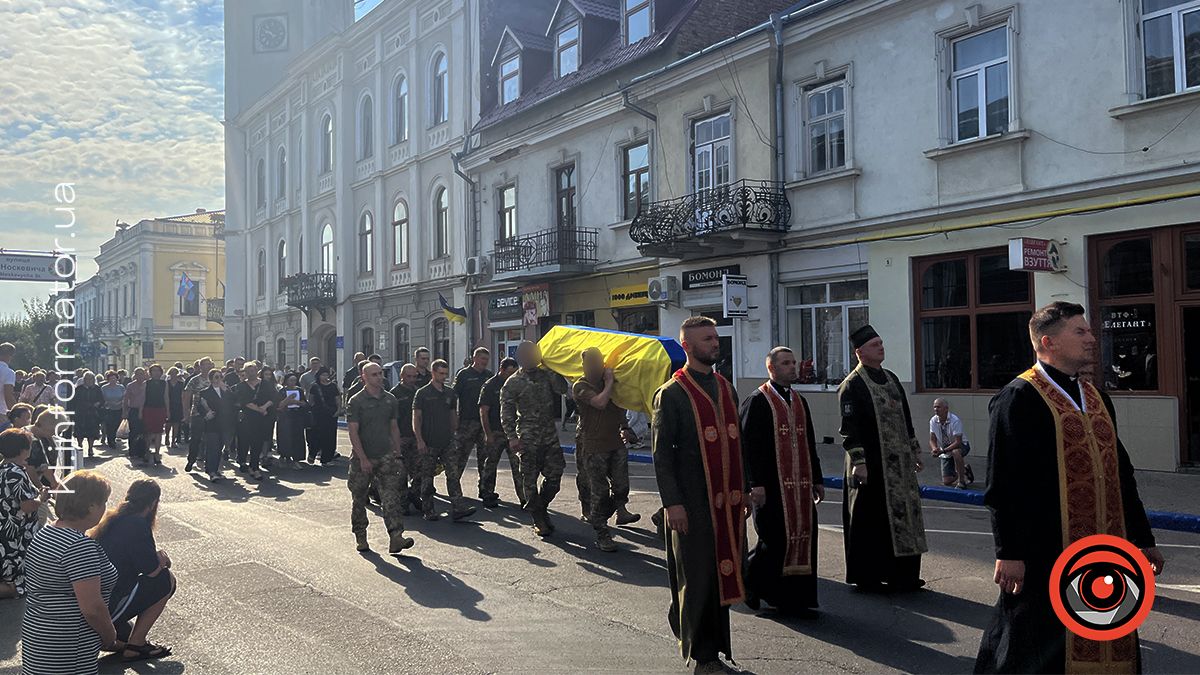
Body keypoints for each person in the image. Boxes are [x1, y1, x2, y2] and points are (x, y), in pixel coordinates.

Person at [974, 302, 1163, 674]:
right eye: (1081, 331)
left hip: (1105, 549)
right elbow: (1003, 481)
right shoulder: (1019, 397)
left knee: (1106, 624)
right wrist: (1009, 551)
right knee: (1038, 645)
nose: (1092, 338)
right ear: (1049, 342)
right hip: (1046, 551)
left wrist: (1143, 537)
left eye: (1089, 330)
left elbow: (1121, 473)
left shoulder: (1096, 397)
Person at [651, 316, 746, 672]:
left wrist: (745, 489)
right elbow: (662, 455)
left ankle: (711, 643)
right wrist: (672, 504)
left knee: (720, 575)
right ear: (687, 347)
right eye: (707, 339)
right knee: (699, 576)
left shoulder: (725, 387)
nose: (715, 343)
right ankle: (703, 657)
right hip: (691, 502)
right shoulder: (672, 394)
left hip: (726, 502)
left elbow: (738, 445)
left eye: (715, 337)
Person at [838, 324, 927, 592]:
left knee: (905, 517)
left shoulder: (891, 378)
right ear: (860, 352)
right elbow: (849, 429)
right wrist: (860, 463)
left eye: (881, 343)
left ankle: (904, 575)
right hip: (871, 465)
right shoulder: (852, 385)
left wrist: (914, 449)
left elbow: (905, 417)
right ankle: (869, 576)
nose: (881, 348)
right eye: (875, 345)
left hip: (899, 463)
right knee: (870, 519)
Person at [740, 346, 823, 618]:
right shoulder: (758, 400)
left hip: (801, 484)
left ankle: (797, 599)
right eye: (786, 363)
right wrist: (754, 483)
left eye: (794, 362)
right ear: (771, 368)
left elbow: (809, 441)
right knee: (774, 540)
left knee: (803, 539)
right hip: (771, 485)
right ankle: (751, 582)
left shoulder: (799, 400)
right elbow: (748, 446)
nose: (792, 367)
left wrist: (817, 478)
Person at [20, 470, 120, 675]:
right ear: (91, 506)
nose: (105, 508)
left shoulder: (46, 532)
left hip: (39, 635)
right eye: (103, 502)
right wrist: (110, 634)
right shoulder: (78, 546)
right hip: (69, 643)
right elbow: (92, 607)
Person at [90, 479, 175, 662]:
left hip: (96, 598)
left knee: (124, 635)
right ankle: (136, 645)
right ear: (153, 503)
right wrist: (161, 559)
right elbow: (151, 571)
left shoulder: (113, 519)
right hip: (110, 599)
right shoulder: (137, 524)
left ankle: (120, 642)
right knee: (166, 579)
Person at [573, 347, 639, 552]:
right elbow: (600, 403)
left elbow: (618, 406)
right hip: (594, 446)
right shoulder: (580, 386)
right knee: (599, 492)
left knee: (622, 485)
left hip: (615, 442)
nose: (597, 366)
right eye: (592, 362)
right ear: (584, 365)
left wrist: (626, 427)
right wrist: (610, 382)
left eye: (599, 361)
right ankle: (602, 532)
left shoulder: (607, 383)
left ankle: (618, 511)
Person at [345, 362, 414, 554]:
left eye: (380, 373)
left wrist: (397, 453)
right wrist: (363, 458)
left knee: (391, 497)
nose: (379, 377)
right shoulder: (356, 401)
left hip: (385, 456)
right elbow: (353, 431)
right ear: (364, 377)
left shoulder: (390, 399)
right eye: (374, 374)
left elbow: (394, 427)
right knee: (359, 499)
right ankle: (361, 536)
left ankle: (396, 537)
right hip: (362, 457)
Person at [500, 341, 567, 536]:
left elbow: (562, 388)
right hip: (527, 437)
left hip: (549, 436)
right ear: (520, 358)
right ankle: (538, 518)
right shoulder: (512, 382)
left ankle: (541, 507)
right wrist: (512, 437)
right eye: (527, 355)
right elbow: (506, 412)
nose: (531, 357)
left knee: (555, 477)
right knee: (529, 480)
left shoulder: (546, 374)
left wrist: (550, 367)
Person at [414, 359, 476, 522]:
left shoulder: (450, 393)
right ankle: (428, 509)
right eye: (441, 373)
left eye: (445, 374)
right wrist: (419, 440)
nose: (443, 377)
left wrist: (455, 434)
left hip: (447, 441)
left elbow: (453, 415)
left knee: (453, 475)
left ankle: (458, 507)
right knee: (427, 477)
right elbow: (417, 418)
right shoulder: (422, 393)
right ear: (433, 373)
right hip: (429, 441)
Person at [1, 429, 50, 599]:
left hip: (5, 526)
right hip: (16, 531)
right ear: (23, 450)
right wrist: (41, 498)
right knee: (18, 584)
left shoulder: (3, 468)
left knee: (8, 571)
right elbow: (27, 505)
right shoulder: (16, 472)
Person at [478, 358, 522, 508]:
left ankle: (524, 498)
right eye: (509, 372)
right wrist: (488, 434)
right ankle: (487, 494)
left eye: (514, 372)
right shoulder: (490, 385)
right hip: (495, 431)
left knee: (518, 466)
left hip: (512, 432)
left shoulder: (517, 384)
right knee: (490, 465)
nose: (512, 375)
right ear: (501, 370)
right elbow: (484, 411)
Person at [453, 348, 493, 503]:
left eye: (486, 359)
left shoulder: (489, 376)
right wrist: (455, 418)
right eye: (482, 358)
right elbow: (454, 396)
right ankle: (454, 491)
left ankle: (485, 490)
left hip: (484, 423)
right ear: (475, 358)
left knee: (485, 459)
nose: (484, 362)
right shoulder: (464, 374)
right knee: (460, 457)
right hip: (466, 422)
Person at [388, 364, 423, 513]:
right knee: (401, 474)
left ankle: (413, 495)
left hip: (416, 438)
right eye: (409, 376)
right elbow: (390, 420)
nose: (412, 379)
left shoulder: (419, 392)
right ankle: (403, 502)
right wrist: (394, 441)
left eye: (415, 376)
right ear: (402, 376)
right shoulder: (394, 394)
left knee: (420, 471)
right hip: (401, 438)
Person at [232, 361, 271, 480]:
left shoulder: (265, 384)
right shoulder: (241, 386)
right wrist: (260, 410)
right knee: (244, 442)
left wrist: (264, 407)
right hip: (246, 418)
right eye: (248, 371)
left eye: (253, 370)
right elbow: (244, 401)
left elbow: (273, 397)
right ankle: (243, 462)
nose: (251, 373)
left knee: (257, 443)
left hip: (261, 419)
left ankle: (255, 467)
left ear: (257, 371)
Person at [195, 369, 236, 481]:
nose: (219, 379)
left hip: (225, 423)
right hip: (212, 423)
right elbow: (199, 407)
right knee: (212, 447)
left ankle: (216, 468)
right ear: (211, 379)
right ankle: (211, 471)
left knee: (220, 447)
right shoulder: (205, 392)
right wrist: (206, 414)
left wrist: (226, 390)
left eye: (220, 377)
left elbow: (234, 401)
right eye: (216, 377)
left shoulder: (226, 390)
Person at [929, 398, 974, 489]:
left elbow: (958, 442)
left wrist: (943, 451)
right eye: (934, 407)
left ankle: (961, 482)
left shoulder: (955, 420)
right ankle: (964, 470)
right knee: (947, 481)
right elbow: (932, 439)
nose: (936, 409)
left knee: (956, 452)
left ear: (946, 409)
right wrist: (934, 449)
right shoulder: (933, 420)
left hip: (961, 445)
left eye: (938, 407)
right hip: (945, 450)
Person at [183, 358, 214, 471]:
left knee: (211, 439)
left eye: (209, 364)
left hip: (213, 413)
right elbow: (187, 397)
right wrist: (186, 414)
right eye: (204, 365)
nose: (207, 367)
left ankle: (209, 464)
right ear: (200, 367)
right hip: (197, 413)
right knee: (195, 438)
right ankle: (191, 460)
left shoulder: (216, 378)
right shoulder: (195, 380)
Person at [308, 367, 342, 465]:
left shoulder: (333, 386)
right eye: (323, 375)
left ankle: (326, 459)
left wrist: (338, 410)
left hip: (331, 414)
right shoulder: (315, 386)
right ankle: (312, 454)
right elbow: (311, 400)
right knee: (316, 435)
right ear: (319, 376)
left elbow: (337, 399)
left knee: (330, 437)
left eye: (326, 375)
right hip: (318, 414)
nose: (325, 377)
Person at [276, 373, 309, 469]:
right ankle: (284, 456)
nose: (293, 382)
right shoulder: (282, 391)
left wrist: (296, 402)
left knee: (297, 436)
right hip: (285, 416)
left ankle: (296, 459)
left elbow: (305, 403)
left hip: (297, 415)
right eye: (291, 380)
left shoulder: (299, 390)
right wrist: (289, 399)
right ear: (286, 381)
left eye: (294, 380)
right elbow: (279, 405)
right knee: (285, 436)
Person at [141, 365, 169, 466]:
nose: (156, 373)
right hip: (149, 409)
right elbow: (143, 398)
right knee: (148, 432)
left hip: (160, 409)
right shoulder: (146, 383)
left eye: (158, 371)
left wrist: (168, 411)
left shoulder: (164, 383)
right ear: (150, 373)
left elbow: (166, 397)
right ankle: (147, 451)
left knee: (158, 432)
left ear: (161, 372)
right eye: (154, 371)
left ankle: (157, 453)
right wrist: (140, 411)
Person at [70, 372, 103, 459]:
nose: (89, 381)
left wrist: (98, 404)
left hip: (92, 413)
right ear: (84, 380)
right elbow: (74, 401)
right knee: (79, 432)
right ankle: (80, 446)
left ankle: (90, 448)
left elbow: (101, 399)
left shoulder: (97, 389)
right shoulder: (79, 389)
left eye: (91, 379)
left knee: (92, 433)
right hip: (81, 413)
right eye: (87, 379)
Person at [123, 368, 148, 464]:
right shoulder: (130, 385)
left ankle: (142, 451)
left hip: (146, 410)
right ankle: (132, 451)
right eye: (138, 374)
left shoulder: (147, 385)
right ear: (135, 375)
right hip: (133, 410)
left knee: (144, 431)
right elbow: (126, 399)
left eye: (142, 374)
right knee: (133, 431)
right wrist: (124, 412)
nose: (140, 376)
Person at [100, 371, 125, 449]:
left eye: (114, 378)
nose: (113, 380)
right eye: (111, 378)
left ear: (117, 379)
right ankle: (111, 440)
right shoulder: (104, 388)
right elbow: (102, 398)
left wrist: (120, 403)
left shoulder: (121, 387)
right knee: (110, 425)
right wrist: (108, 402)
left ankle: (113, 438)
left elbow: (124, 397)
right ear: (108, 379)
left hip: (119, 408)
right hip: (108, 409)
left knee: (116, 424)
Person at [165, 368, 185, 448]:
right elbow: (165, 395)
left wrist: (184, 407)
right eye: (172, 373)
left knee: (176, 424)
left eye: (175, 373)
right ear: (169, 374)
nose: (173, 375)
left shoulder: (181, 384)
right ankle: (167, 436)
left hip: (178, 405)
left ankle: (173, 441)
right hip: (169, 404)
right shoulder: (167, 383)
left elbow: (183, 395)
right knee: (168, 423)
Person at [0, 343, 17, 423]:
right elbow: (8, 396)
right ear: (10, 356)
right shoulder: (9, 372)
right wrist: (16, 413)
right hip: (1, 411)